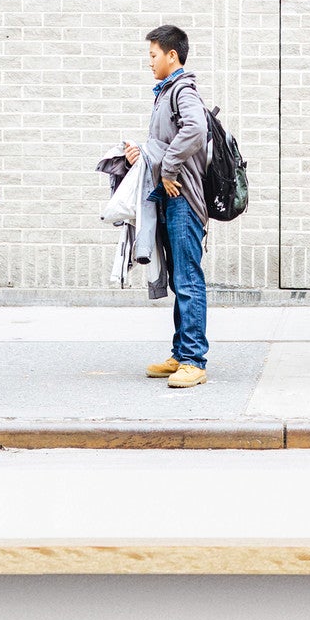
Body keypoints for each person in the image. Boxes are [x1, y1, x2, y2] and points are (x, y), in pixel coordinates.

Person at [123, 24, 210, 388]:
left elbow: (197, 128)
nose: (150, 62)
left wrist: (169, 167)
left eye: (153, 55)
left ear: (171, 55)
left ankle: (194, 360)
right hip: (170, 197)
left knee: (189, 279)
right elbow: (166, 141)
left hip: (184, 198)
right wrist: (140, 156)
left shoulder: (182, 89)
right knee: (179, 279)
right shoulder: (166, 93)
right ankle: (180, 353)